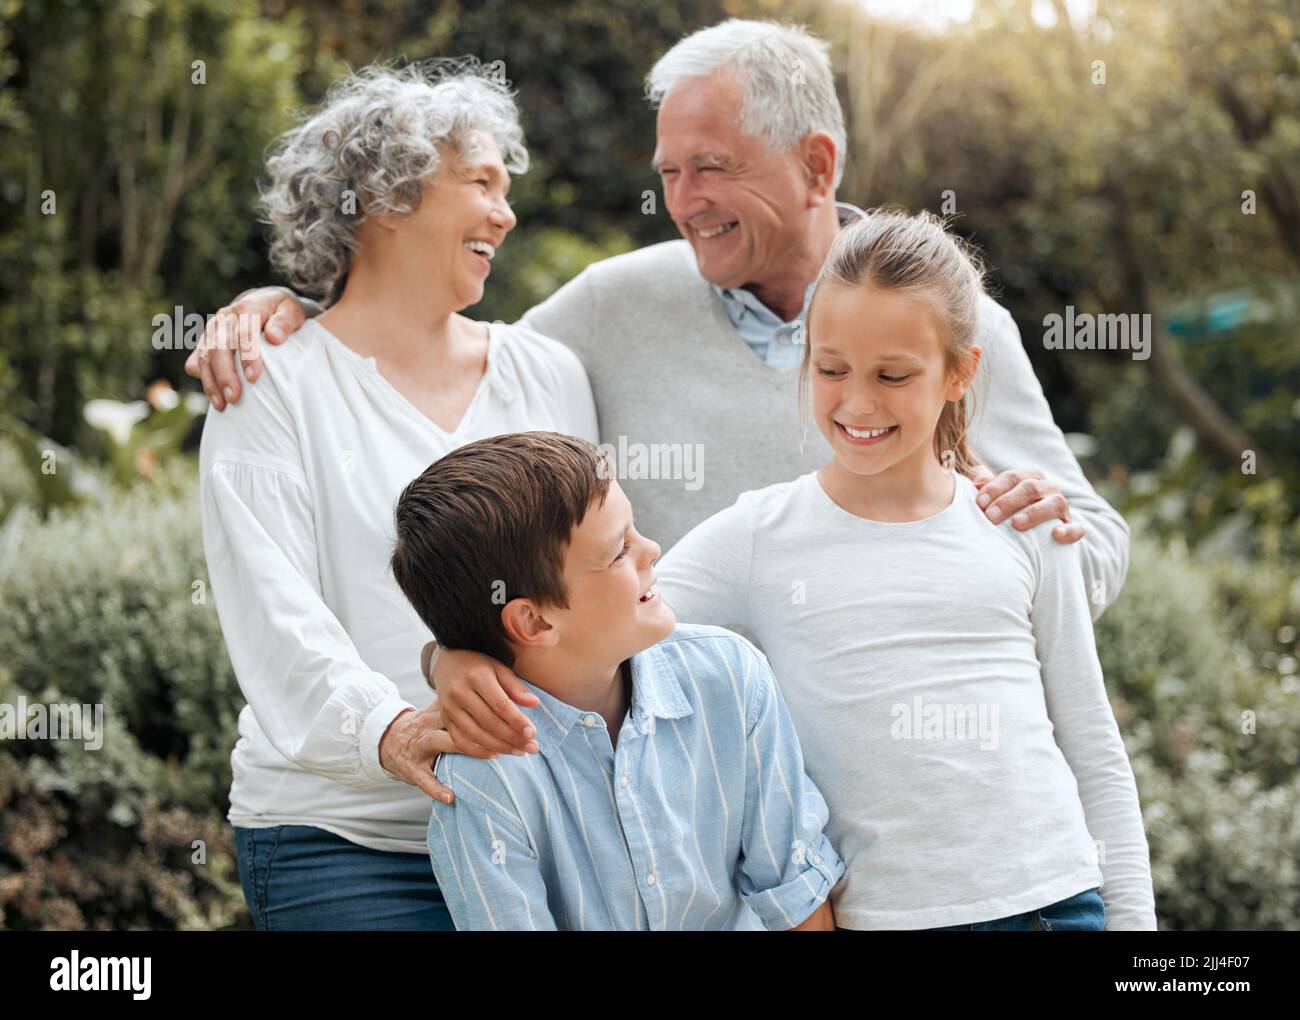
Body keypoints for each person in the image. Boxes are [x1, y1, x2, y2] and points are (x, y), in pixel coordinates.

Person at [189, 20, 1131, 767]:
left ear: (817, 165)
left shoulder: (950, 323)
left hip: (909, 773)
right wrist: (286, 306)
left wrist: (1030, 535)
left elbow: (1092, 546)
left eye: (713, 167)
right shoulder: (611, 306)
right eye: (670, 172)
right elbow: (420, 339)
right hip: (698, 785)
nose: (684, 201)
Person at [654, 211, 1157, 930]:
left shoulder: (1025, 528)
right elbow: (601, 634)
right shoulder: (757, 537)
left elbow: (1092, 744)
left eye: (893, 375)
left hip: (1054, 906)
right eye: (831, 370)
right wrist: (452, 661)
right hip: (882, 916)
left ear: (960, 372)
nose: (858, 401)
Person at [198, 59, 596, 930]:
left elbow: (591, 583)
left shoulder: (547, 373)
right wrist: (394, 728)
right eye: (481, 182)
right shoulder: (271, 387)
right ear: (386, 196)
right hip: (345, 840)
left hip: (529, 826)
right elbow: (276, 616)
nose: (507, 211)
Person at [390, 431, 845, 930]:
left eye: (636, 530)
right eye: (617, 551)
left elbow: (794, 894)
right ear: (535, 623)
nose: (651, 549)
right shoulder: (484, 779)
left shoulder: (730, 678)